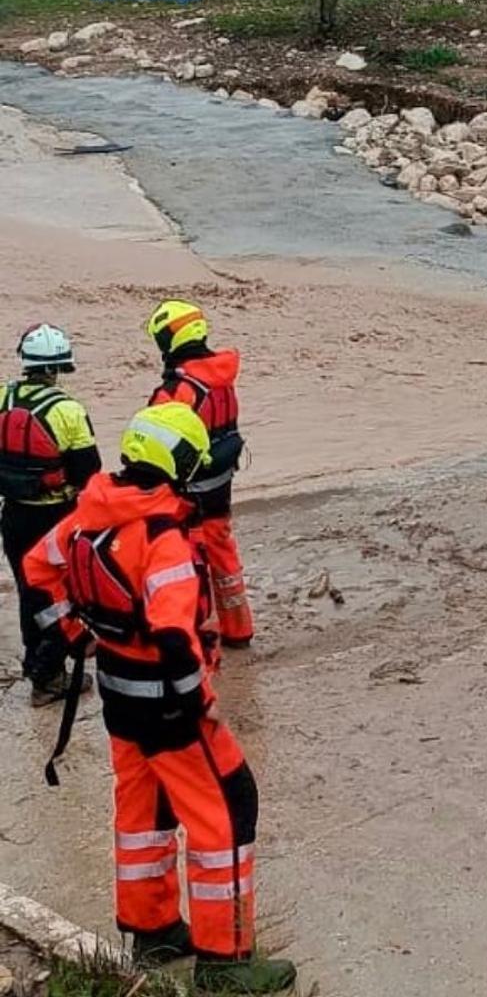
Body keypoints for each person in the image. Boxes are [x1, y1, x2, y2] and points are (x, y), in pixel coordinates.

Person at [23, 403, 295, 993]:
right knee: (228, 809)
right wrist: (202, 702)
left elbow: (35, 568)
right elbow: (176, 637)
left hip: (121, 702)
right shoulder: (163, 537)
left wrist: (76, 635)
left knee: (142, 815)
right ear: (181, 468)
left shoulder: (87, 515)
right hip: (172, 709)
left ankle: (152, 933)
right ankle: (226, 964)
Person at [0, 323, 101, 704]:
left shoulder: (2, 397)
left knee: (29, 591)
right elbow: (88, 470)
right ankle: (48, 675)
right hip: (56, 517)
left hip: (13, 516)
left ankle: (35, 661)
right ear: (60, 367)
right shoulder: (69, 411)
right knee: (64, 595)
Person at [145, 300, 252, 646]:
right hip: (222, 484)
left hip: (188, 493)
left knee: (186, 563)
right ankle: (239, 629)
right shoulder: (222, 378)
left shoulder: (178, 391)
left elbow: (153, 449)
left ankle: (194, 633)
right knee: (223, 554)